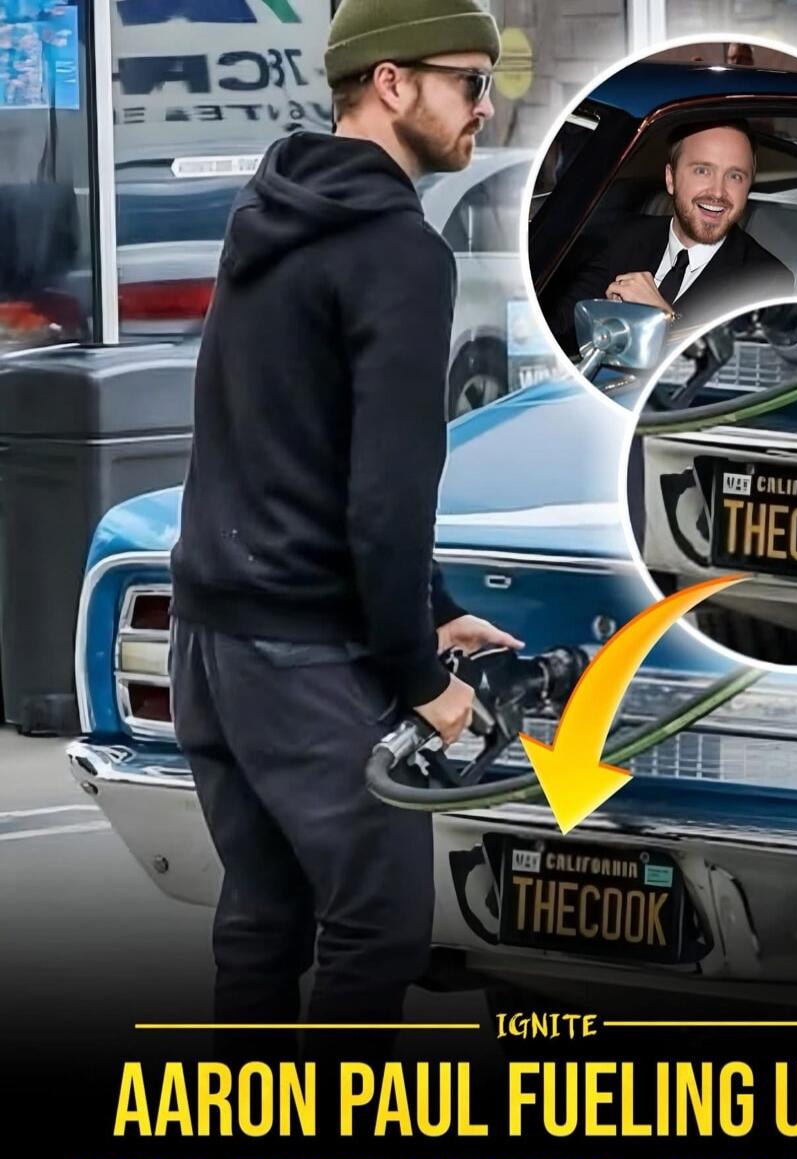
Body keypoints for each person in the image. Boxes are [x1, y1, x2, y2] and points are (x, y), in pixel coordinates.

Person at [167, 0, 519, 1033]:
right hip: (305, 653)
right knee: (377, 930)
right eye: (469, 82)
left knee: (263, 920)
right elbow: (387, 494)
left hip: (212, 640)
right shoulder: (399, 251)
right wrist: (422, 679)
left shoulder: (271, 207)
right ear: (391, 83)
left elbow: (290, 438)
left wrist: (434, 606)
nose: (486, 107)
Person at [545, 118, 793, 352]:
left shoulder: (767, 281)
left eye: (735, 176)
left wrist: (665, 320)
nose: (718, 192)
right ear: (670, 179)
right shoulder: (623, 238)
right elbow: (560, 327)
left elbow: (733, 371)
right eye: (702, 171)